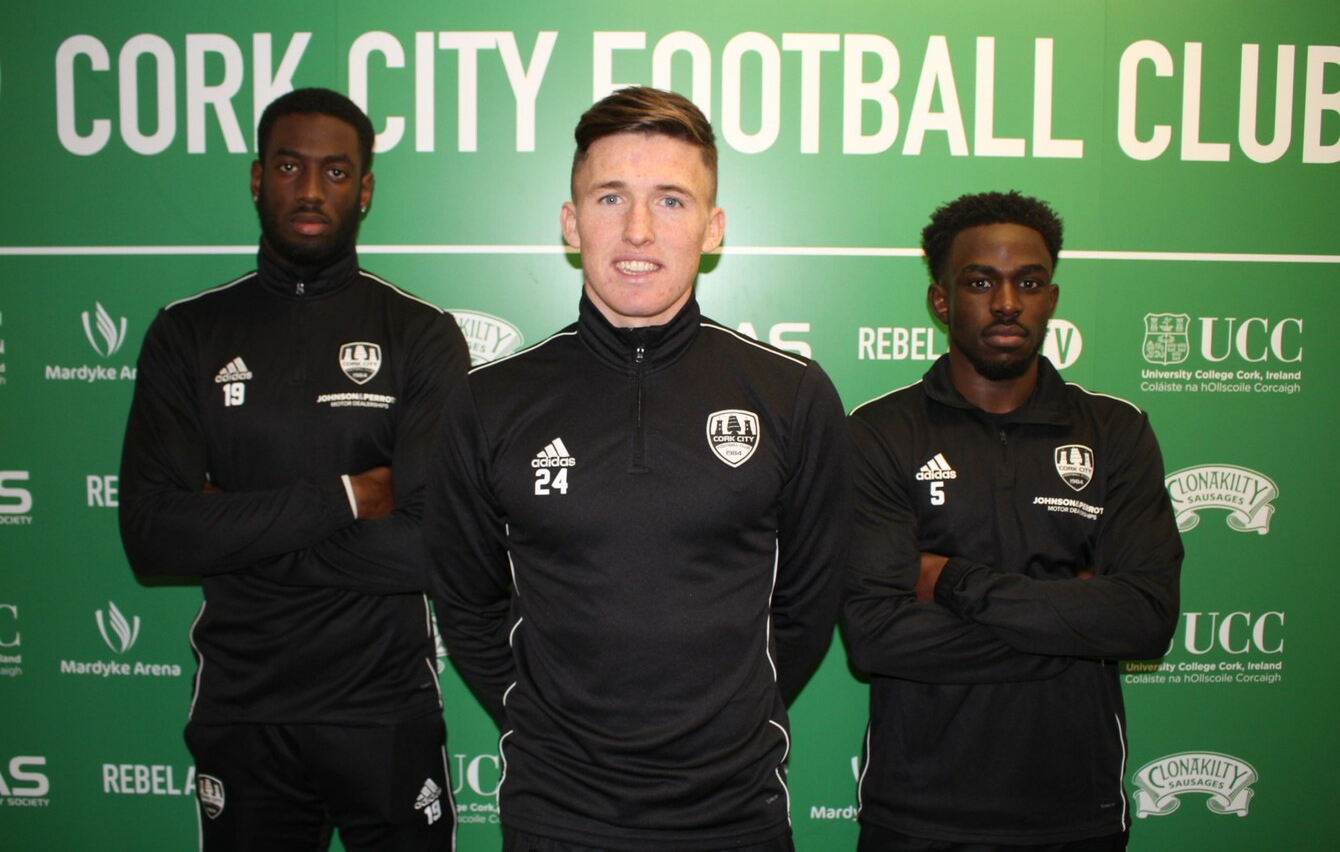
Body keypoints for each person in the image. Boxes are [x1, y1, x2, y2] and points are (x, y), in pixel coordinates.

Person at [425, 86, 850, 851]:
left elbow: (809, 605)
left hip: (734, 814)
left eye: (671, 200)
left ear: (713, 228)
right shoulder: (491, 401)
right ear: (571, 221)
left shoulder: (791, 394)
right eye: (611, 197)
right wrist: (545, 718)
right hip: (557, 815)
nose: (639, 230)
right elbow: (466, 600)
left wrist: (728, 720)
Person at [118, 87, 468, 850]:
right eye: (288, 166)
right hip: (245, 711)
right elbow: (153, 537)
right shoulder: (188, 333)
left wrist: (234, 528)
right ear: (256, 178)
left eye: (335, 172)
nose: (310, 190)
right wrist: (350, 494)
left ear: (364, 190)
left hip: (384, 710)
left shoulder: (420, 335)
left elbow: (431, 547)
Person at [843, 191, 1183, 851]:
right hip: (918, 814)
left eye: (1028, 283)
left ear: (1051, 299)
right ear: (941, 301)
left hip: (1077, 813)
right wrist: (1075, 623)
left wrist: (950, 581)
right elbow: (877, 637)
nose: (1006, 303)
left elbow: (1146, 619)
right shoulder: (879, 433)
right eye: (980, 283)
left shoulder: (1115, 431)